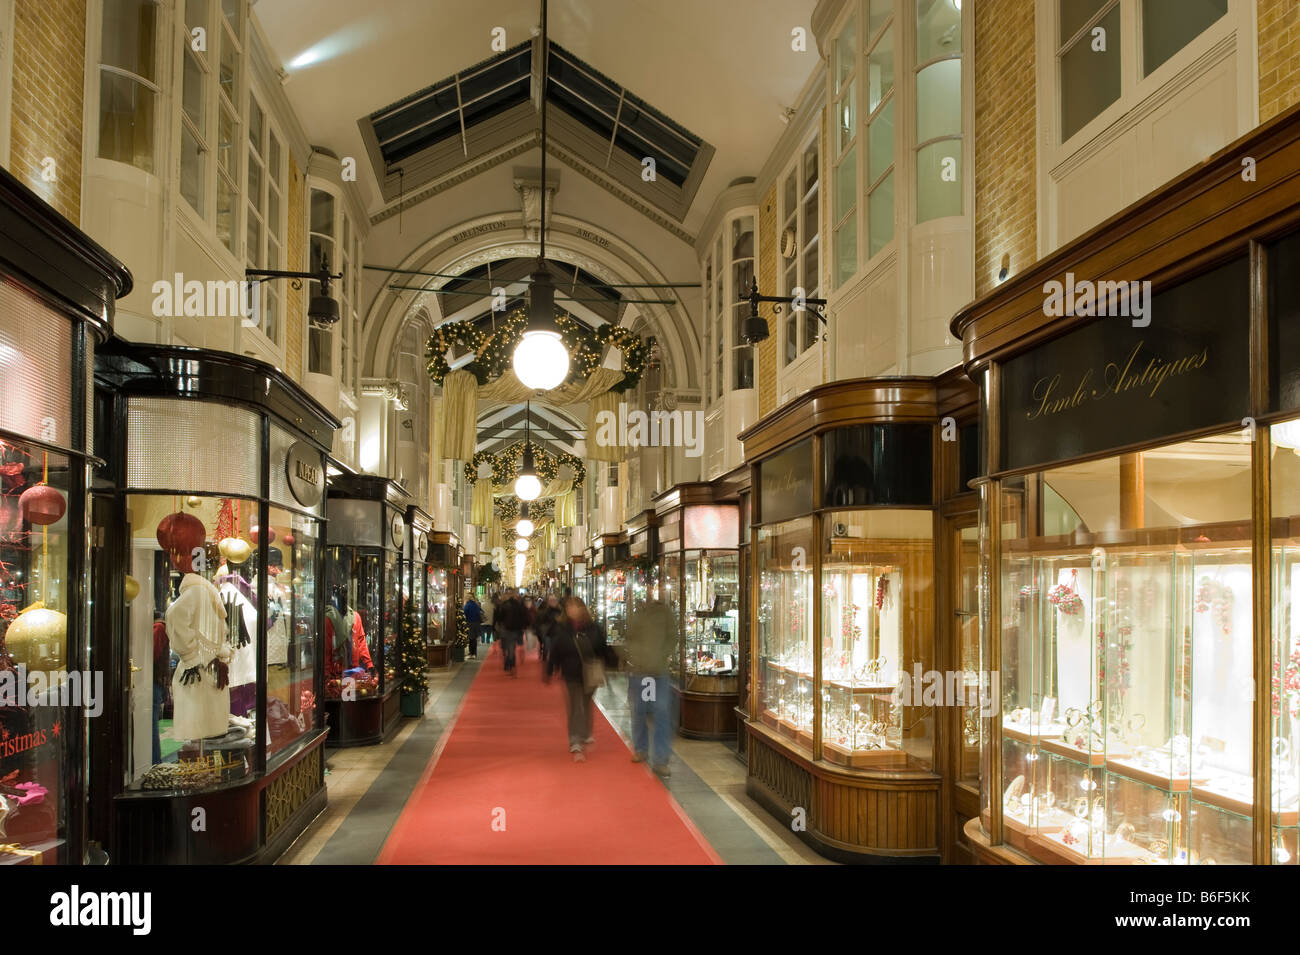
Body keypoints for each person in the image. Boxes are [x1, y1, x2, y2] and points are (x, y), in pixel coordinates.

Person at [546, 596, 614, 761]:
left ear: (582, 608)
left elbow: (601, 647)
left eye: (575, 607)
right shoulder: (562, 628)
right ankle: (575, 740)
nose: (572, 610)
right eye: (569, 607)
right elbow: (555, 649)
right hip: (571, 673)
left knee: (585, 703)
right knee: (576, 706)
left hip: (589, 672)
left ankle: (584, 732)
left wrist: (612, 661)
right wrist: (550, 668)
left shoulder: (593, 628)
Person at [624, 597, 678, 777]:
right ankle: (641, 748)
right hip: (639, 671)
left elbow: (673, 637)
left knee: (661, 713)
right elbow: (630, 637)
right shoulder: (638, 612)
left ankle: (661, 759)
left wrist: (661, 656)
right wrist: (636, 657)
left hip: (658, 672)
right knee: (639, 711)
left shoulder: (665, 613)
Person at [496, 589, 528, 677]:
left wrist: (499, 624)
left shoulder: (505, 605)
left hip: (507, 629)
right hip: (515, 629)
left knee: (508, 648)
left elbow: (500, 617)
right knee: (511, 648)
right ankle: (511, 665)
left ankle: (510, 665)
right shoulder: (519, 605)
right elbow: (524, 616)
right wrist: (523, 627)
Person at [535, 594, 562, 664]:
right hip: (548, 633)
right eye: (551, 601)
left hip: (557, 633)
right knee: (547, 647)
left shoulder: (560, 611)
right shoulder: (545, 611)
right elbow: (540, 621)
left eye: (554, 600)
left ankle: (552, 663)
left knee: (555, 649)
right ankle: (545, 659)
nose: (553, 602)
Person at [463, 594, 482, 658]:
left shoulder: (468, 605)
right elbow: (479, 612)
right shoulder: (475, 605)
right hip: (476, 623)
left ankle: (472, 653)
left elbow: (464, 613)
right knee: (474, 639)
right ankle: (474, 653)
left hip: (470, 623)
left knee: (471, 638)